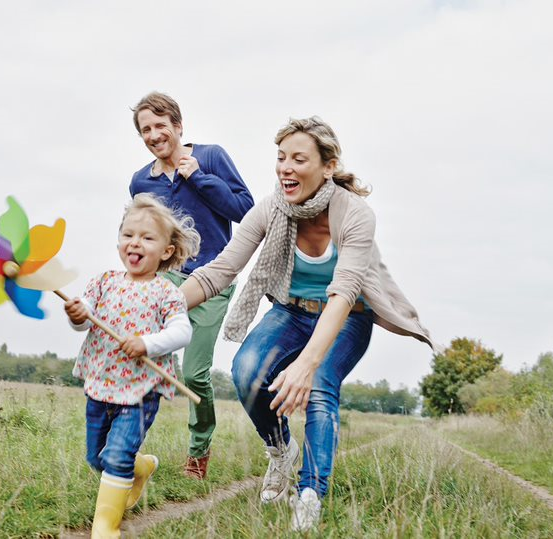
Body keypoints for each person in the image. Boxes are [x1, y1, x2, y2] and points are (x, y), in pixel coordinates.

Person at [180, 117, 436, 531]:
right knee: (247, 372)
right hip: (291, 311)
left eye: (299, 159)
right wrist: (158, 306)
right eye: (281, 158)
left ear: (328, 166)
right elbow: (221, 270)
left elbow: (345, 291)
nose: (285, 167)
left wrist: (307, 364)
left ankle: (310, 493)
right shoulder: (271, 209)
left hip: (347, 316)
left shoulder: (355, 214)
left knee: (319, 388)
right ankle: (281, 450)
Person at [130, 92, 254, 479]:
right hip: (165, 280)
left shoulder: (212, 156)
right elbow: (142, 237)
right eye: (145, 129)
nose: (154, 135)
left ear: (178, 126)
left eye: (160, 125)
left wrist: (197, 177)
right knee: (138, 357)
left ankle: (199, 452)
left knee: (195, 374)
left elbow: (246, 212)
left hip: (214, 279)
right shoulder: (139, 183)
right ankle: (125, 447)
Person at [64, 193, 200, 538]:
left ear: (167, 250)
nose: (134, 243)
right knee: (96, 458)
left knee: (117, 455)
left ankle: (105, 528)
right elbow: (84, 322)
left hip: (140, 391)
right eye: (128, 235)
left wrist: (147, 343)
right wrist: (77, 315)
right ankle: (141, 467)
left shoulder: (166, 292)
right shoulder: (103, 282)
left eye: (147, 237)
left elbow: (182, 332)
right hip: (101, 383)